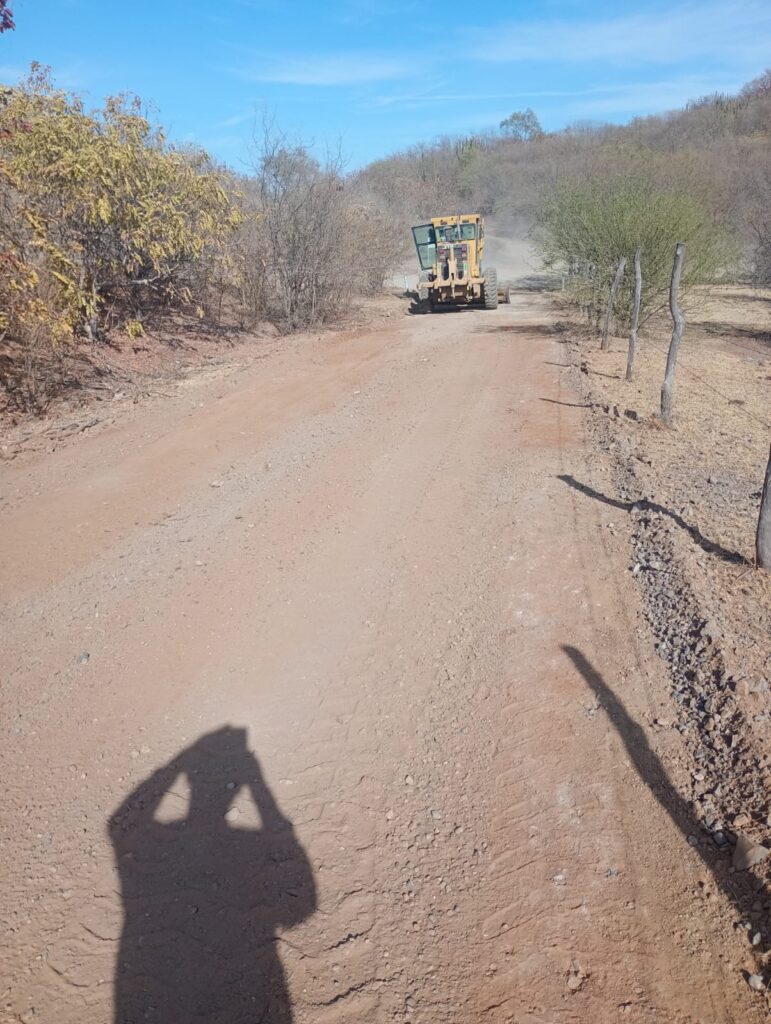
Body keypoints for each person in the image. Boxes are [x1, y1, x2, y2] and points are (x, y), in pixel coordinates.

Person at [109, 726, 316, 1023]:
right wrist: (261, 792)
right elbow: (302, 909)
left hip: (147, 971)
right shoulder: (250, 840)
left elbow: (118, 823)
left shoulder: (167, 835)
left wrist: (176, 764)